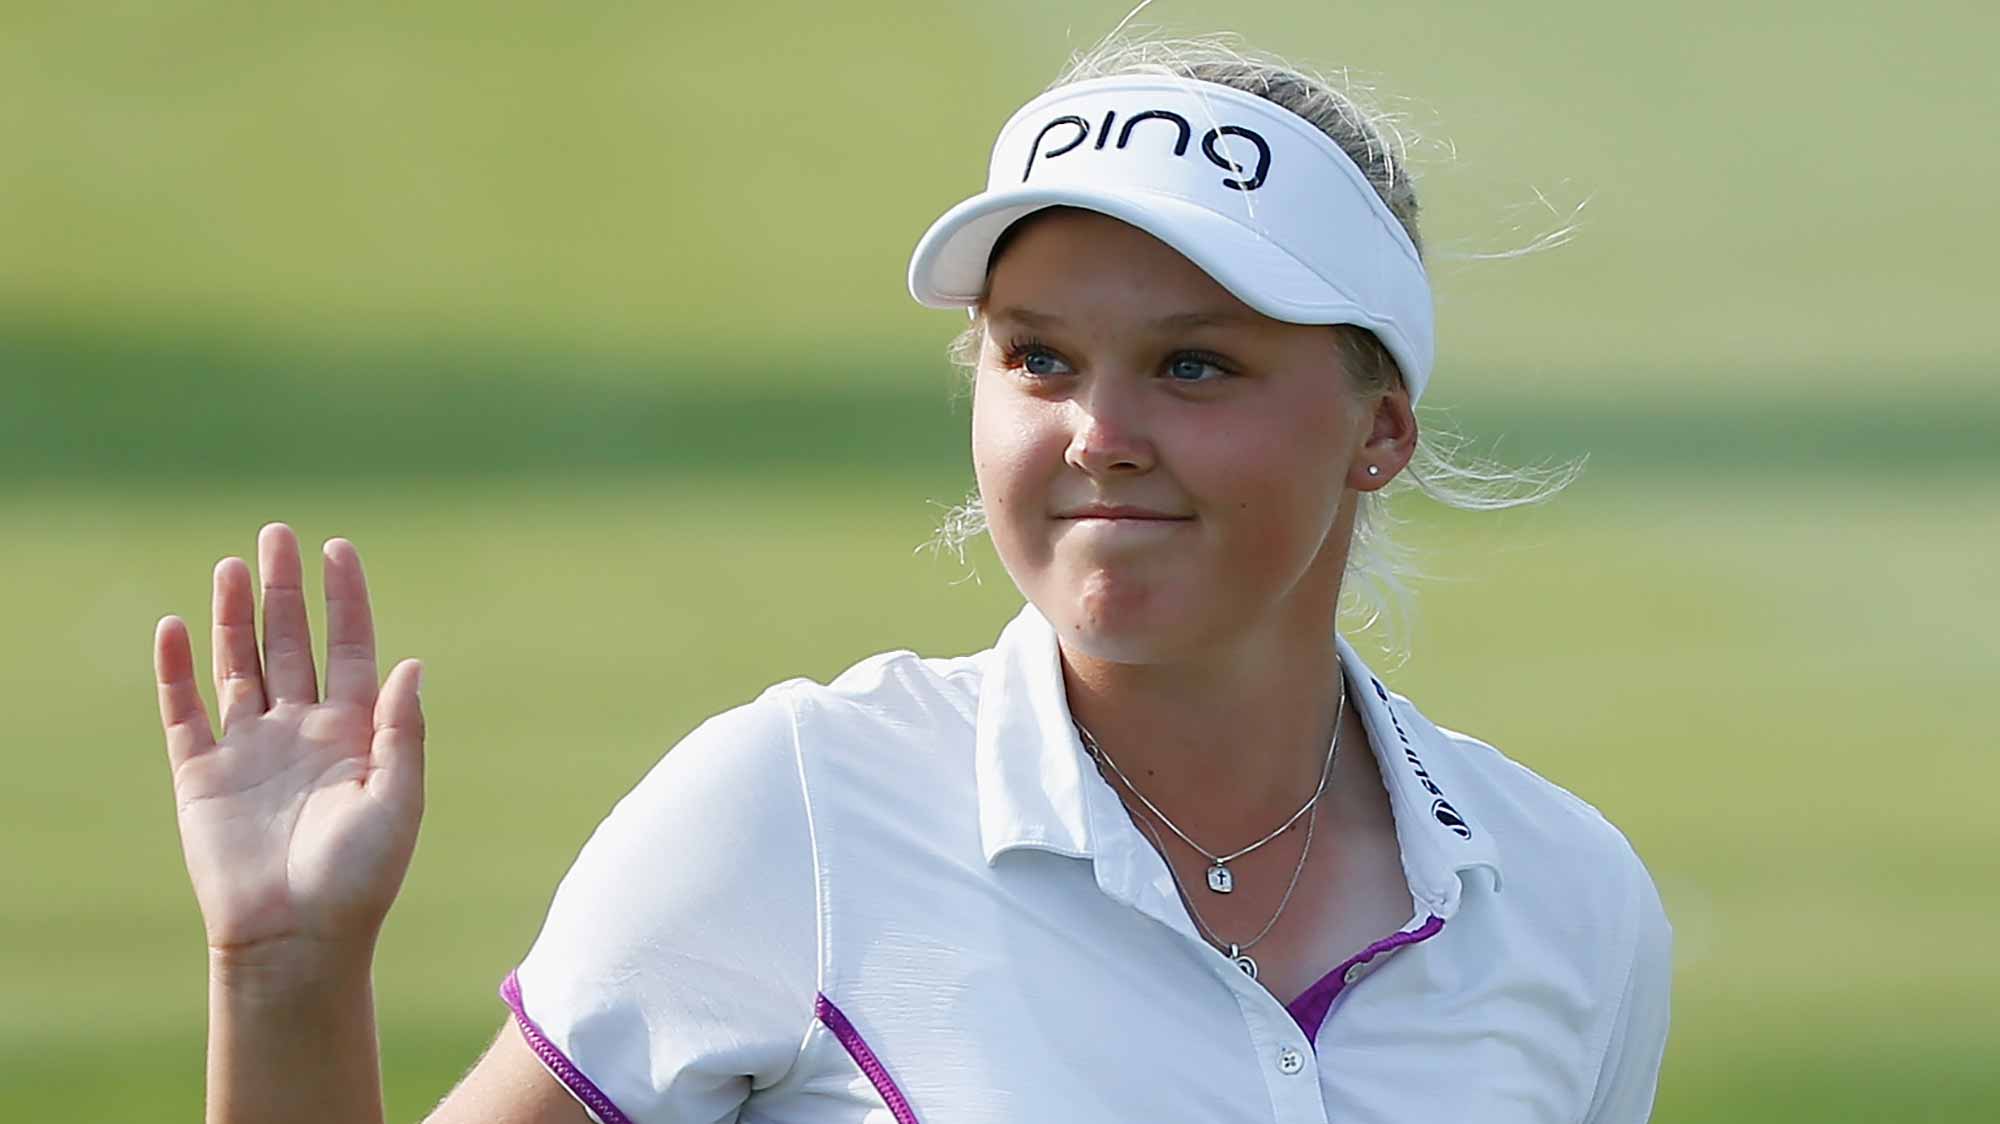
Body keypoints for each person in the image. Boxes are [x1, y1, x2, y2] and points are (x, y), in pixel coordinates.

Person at [150, 33, 1671, 1124]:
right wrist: (286, 970)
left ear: (1379, 432)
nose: (1100, 435)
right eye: (1038, 358)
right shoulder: (792, 809)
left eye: (1194, 364)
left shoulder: (1567, 902)